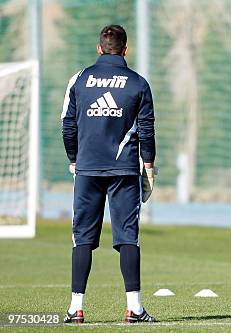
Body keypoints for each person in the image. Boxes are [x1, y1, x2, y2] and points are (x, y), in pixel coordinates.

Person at [61, 25, 157, 323]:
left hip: (87, 169)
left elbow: (67, 125)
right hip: (124, 170)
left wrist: (74, 159)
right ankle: (135, 309)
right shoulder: (138, 83)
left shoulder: (79, 79)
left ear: (99, 47)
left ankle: (76, 308)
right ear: (125, 50)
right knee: (128, 237)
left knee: (82, 239)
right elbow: (146, 130)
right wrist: (149, 167)